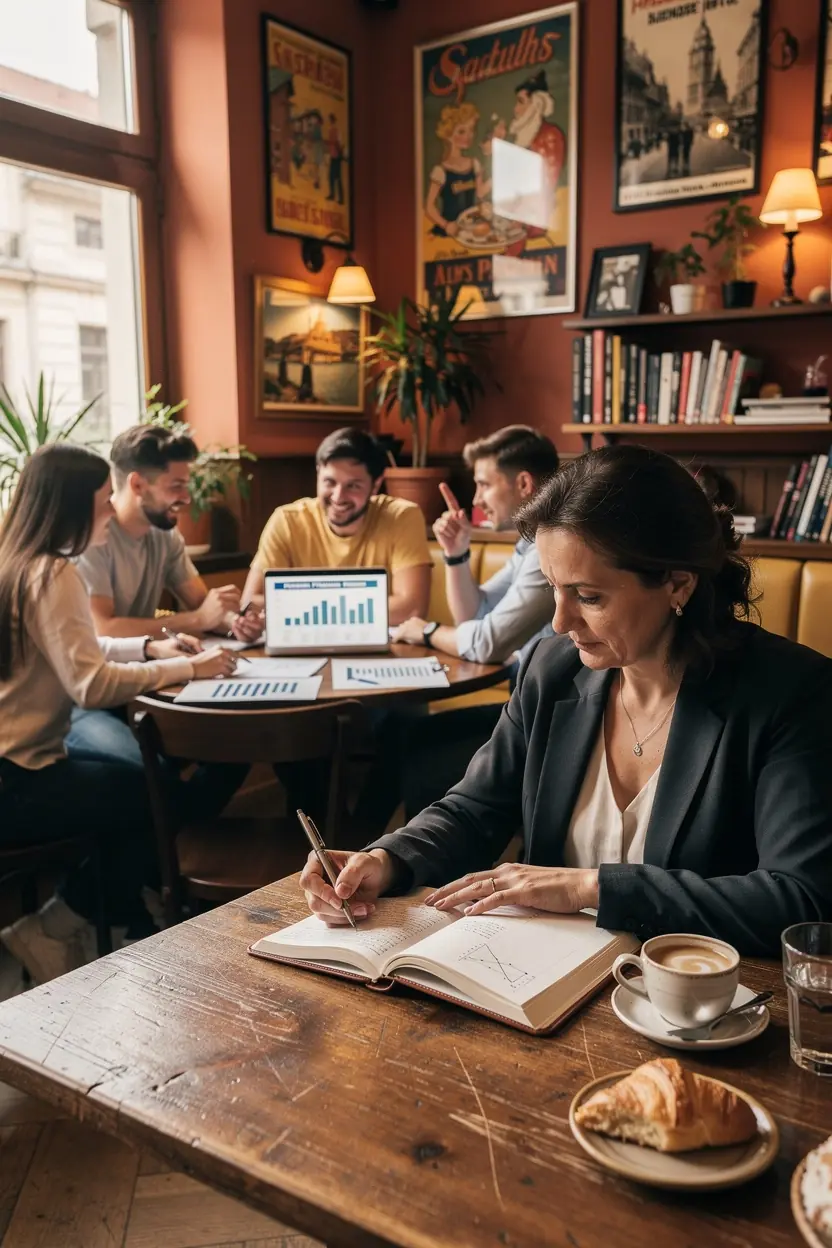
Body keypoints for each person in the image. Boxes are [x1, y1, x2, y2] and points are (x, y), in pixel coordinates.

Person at [300, 444, 832, 957]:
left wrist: (591, 888)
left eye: (589, 596)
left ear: (678, 585)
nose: (560, 622)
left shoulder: (791, 693)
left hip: (697, 1006)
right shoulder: (552, 670)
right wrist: (385, 860)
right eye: (554, 588)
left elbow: (801, 901)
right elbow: (475, 808)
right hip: (539, 984)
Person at [0, 444, 237, 984]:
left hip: (11, 768)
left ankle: (113, 918)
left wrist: (150, 651)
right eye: (104, 499)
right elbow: (89, 683)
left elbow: (78, 649)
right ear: (72, 506)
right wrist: (190, 670)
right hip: (17, 779)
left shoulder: (18, 563)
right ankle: (59, 924)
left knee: (142, 786)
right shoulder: (54, 573)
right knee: (152, 796)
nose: (111, 508)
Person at [373, 426, 560, 823]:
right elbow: (475, 617)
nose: (476, 499)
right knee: (412, 735)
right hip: (528, 704)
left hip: (553, 720)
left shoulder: (553, 546)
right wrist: (456, 555)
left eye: (482, 485)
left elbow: (486, 642)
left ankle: (416, 865)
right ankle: (373, 851)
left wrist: (424, 630)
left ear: (523, 483)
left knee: (424, 744)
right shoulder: (529, 542)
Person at [68, 424, 259, 779]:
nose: (186, 497)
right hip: (84, 698)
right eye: (177, 486)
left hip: (142, 680)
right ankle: (167, 821)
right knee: (148, 773)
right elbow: (104, 629)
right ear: (138, 484)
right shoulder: (93, 539)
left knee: (237, 746)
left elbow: (203, 604)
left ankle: (171, 820)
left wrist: (235, 622)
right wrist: (200, 619)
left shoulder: (165, 536)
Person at [242, 427, 431, 626]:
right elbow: (250, 603)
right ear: (318, 474)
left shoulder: (402, 517)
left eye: (353, 486)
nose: (338, 496)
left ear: (375, 485)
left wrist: (300, 607)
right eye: (329, 482)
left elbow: (413, 608)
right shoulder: (287, 520)